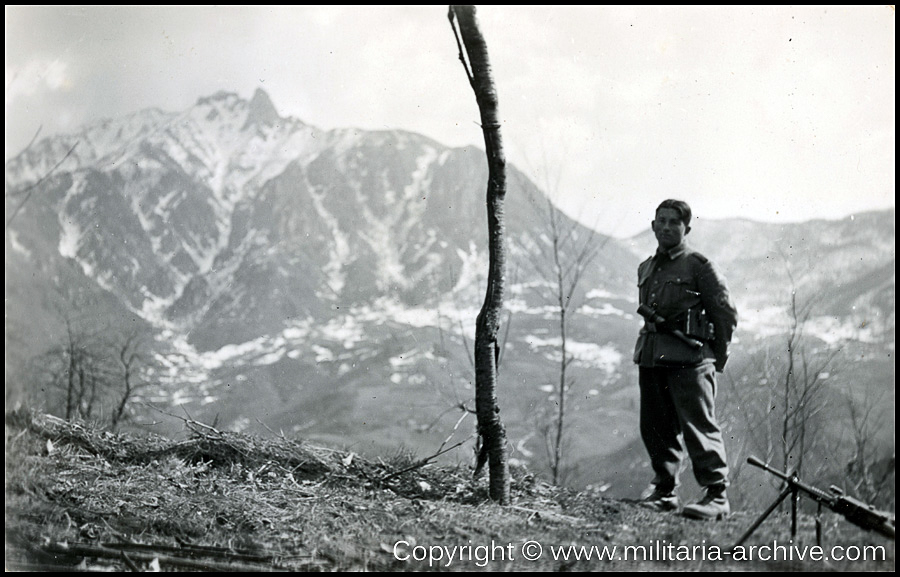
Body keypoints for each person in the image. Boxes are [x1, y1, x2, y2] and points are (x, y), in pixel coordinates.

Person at [633, 199, 738, 520]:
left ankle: (717, 496)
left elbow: (725, 315)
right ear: (652, 226)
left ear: (686, 229)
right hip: (653, 357)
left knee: (698, 426)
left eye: (673, 223)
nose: (666, 227)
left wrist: (715, 359)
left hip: (690, 360)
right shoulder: (646, 267)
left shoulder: (699, 266)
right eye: (660, 221)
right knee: (655, 426)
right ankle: (665, 492)